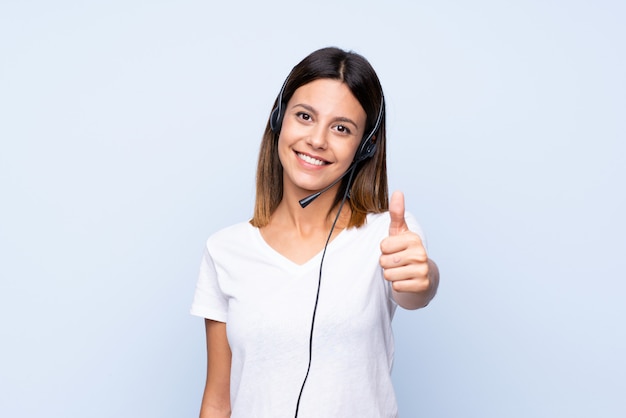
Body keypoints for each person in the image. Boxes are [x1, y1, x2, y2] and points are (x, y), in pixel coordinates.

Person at [191, 46, 440, 418]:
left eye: (342, 128)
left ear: (365, 146)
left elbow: (415, 291)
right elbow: (218, 400)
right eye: (305, 116)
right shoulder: (225, 250)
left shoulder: (386, 235)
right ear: (279, 118)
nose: (317, 140)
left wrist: (424, 279)